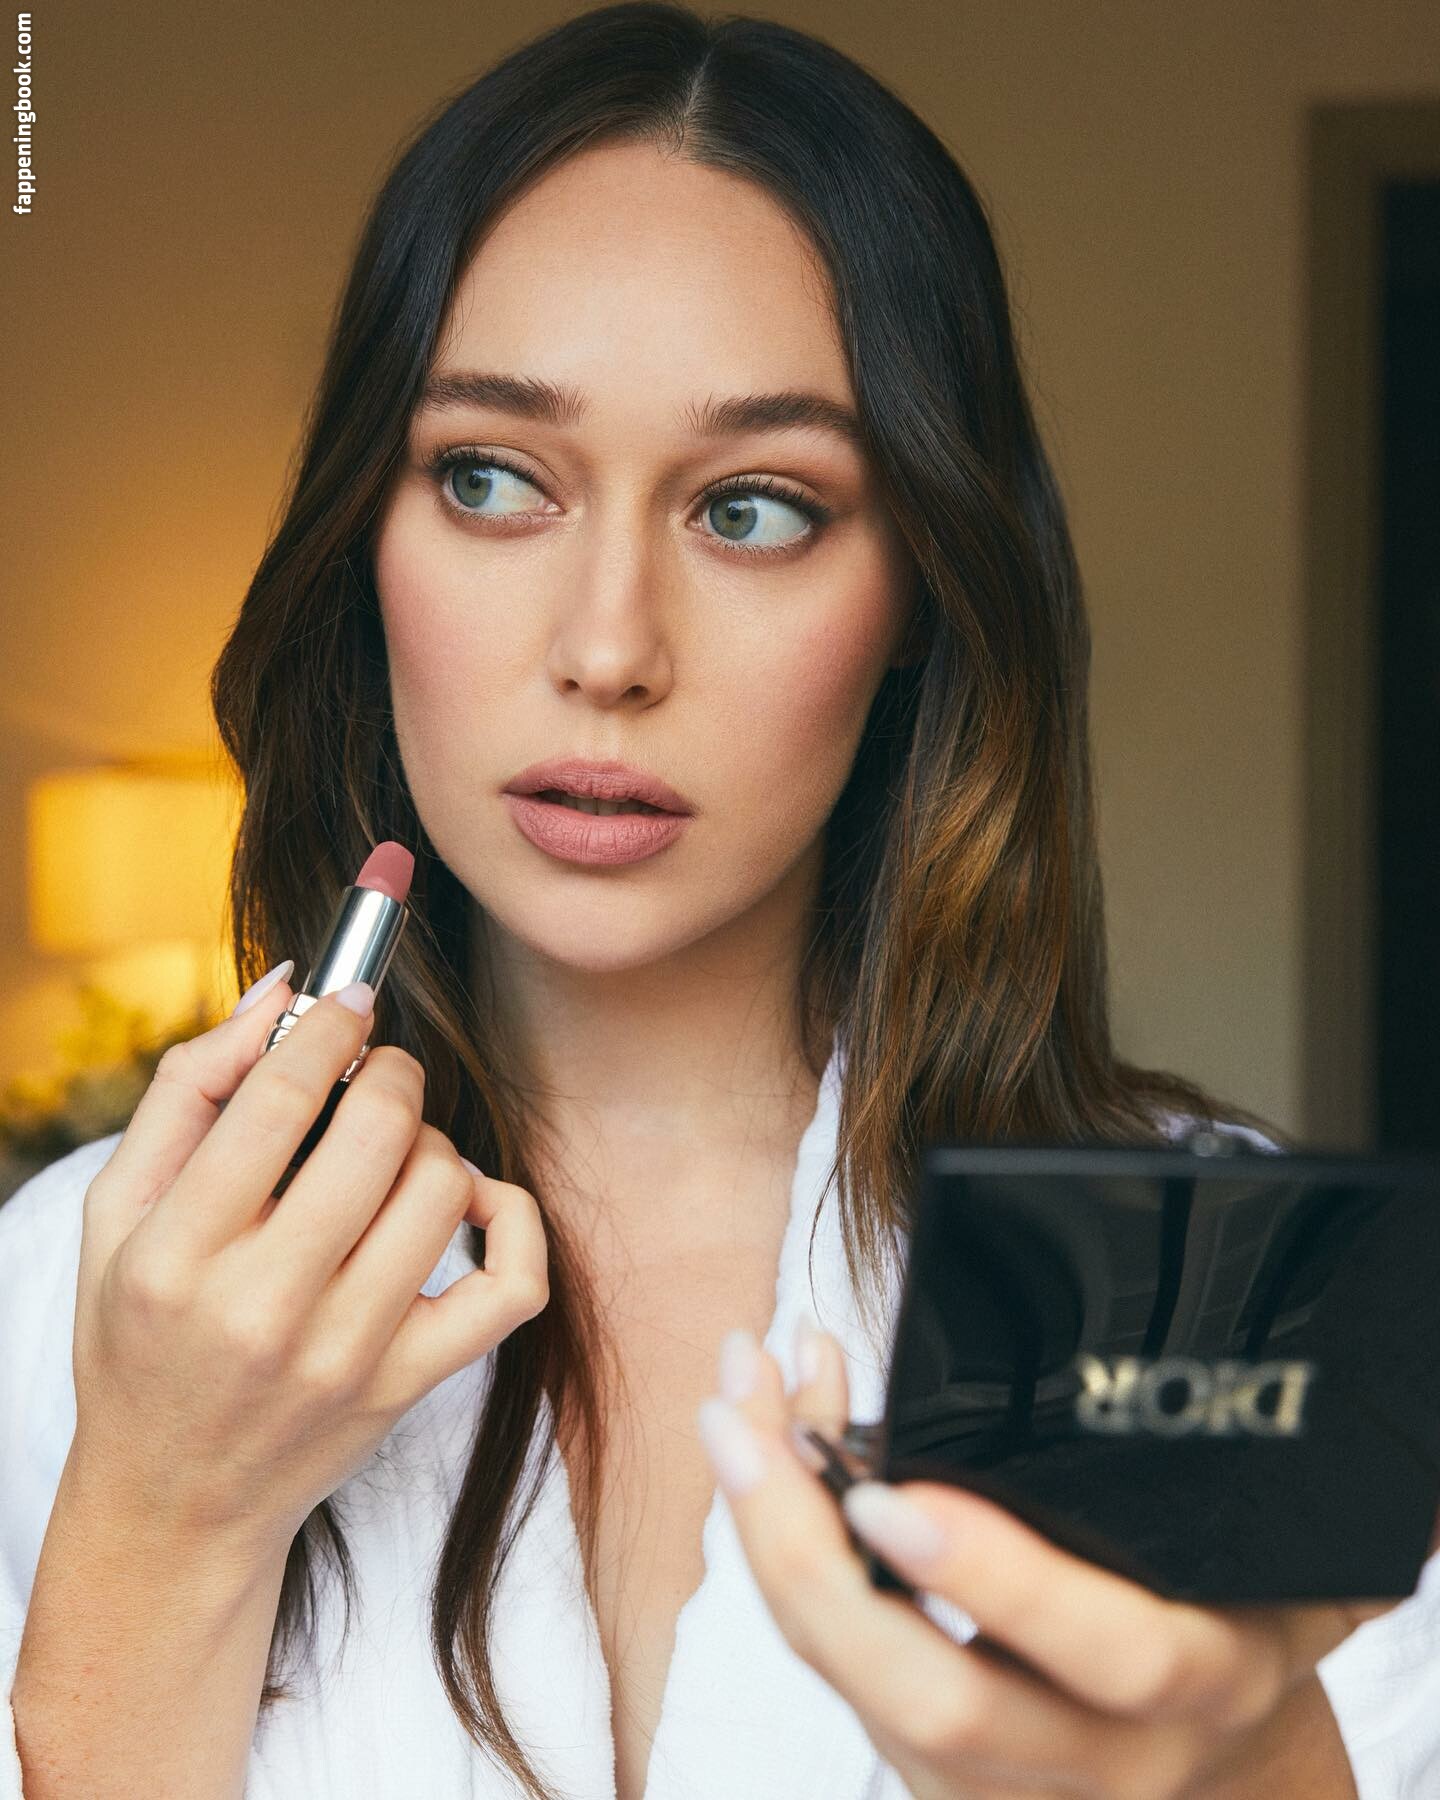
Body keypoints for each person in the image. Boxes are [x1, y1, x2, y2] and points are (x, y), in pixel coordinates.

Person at [4, 5, 1437, 1797]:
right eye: (490, 478)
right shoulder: (93, 1280)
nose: (608, 649)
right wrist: (161, 1526)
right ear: (364, 536)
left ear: (923, 588)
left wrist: (1246, 1763)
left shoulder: (1214, 1285)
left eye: (753, 508)